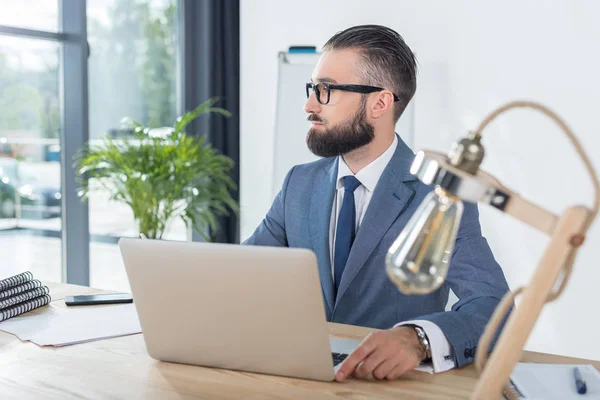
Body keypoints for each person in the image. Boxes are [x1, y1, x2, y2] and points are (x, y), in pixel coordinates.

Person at [244, 25, 509, 382]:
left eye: (325, 91)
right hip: (300, 378)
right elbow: (243, 275)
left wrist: (418, 339)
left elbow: (494, 307)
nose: (309, 105)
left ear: (380, 103)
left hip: (387, 386)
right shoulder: (299, 183)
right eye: (312, 89)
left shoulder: (439, 196)